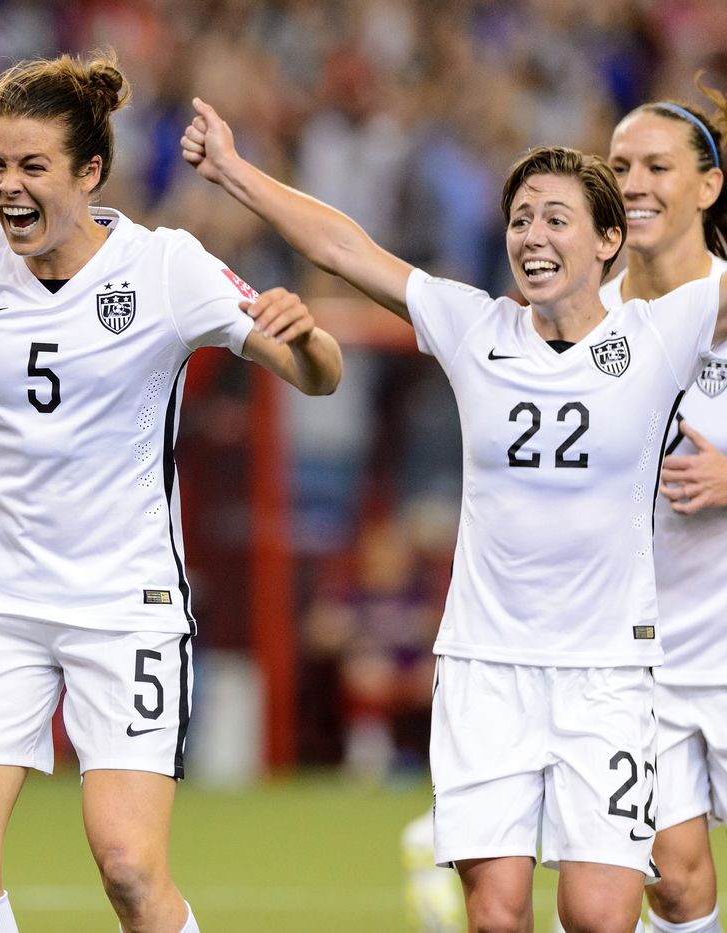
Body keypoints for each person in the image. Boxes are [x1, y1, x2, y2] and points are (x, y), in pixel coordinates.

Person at [0, 51, 342, 933]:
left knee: (130, 869)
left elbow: (317, 375)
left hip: (124, 604)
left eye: (31, 167)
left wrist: (309, 338)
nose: (7, 187)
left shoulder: (166, 268)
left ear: (90, 172)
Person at [182, 100, 727, 932]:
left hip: (610, 677)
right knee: (497, 914)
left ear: (608, 241)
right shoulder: (476, 327)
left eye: (556, 219)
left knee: (600, 913)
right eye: (519, 220)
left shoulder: (664, 330)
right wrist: (233, 171)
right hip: (484, 668)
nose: (533, 236)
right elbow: (345, 248)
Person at [600, 79, 727, 933]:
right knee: (676, 886)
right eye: (617, 167)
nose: (633, 182)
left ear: (708, 184)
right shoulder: (584, 319)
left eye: (655, 166)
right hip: (639, 660)